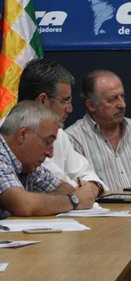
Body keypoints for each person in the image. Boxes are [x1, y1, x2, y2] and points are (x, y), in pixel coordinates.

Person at [18, 58, 107, 197]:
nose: (70, 109)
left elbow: (87, 174)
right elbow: (53, 186)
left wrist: (92, 188)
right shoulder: (10, 134)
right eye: (65, 100)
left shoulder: (59, 133)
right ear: (43, 100)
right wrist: (80, 192)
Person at [66, 70, 131, 190]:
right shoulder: (73, 139)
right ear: (91, 105)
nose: (122, 105)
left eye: (122, 96)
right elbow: (79, 190)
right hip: (103, 202)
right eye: (112, 99)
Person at [0, 101, 95, 219]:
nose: (50, 154)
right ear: (22, 134)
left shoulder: (27, 164)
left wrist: (39, 202)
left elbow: (65, 189)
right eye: (47, 142)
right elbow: (24, 204)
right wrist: (74, 201)